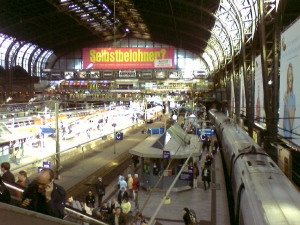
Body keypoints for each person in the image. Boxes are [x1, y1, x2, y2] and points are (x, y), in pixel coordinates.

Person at [283, 63, 296, 138]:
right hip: (283, 134)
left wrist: (287, 103)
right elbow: (283, 119)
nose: (290, 77)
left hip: (289, 136)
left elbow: (291, 124)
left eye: (291, 75)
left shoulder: (293, 97)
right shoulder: (285, 95)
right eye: (288, 75)